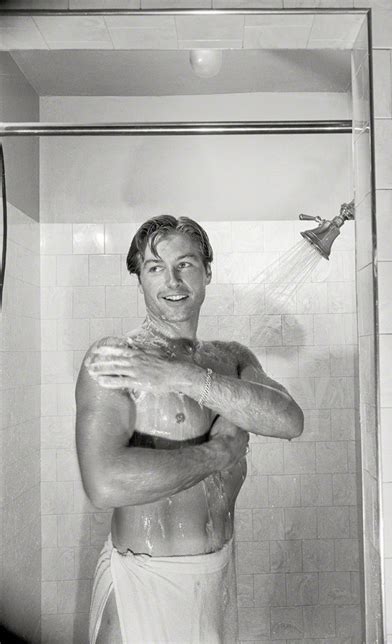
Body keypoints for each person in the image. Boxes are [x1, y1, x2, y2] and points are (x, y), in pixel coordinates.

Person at [75, 215, 304, 644]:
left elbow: (290, 420)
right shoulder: (118, 359)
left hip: (218, 575)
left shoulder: (233, 357)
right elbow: (104, 483)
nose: (172, 280)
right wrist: (217, 454)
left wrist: (181, 376)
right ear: (139, 279)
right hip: (146, 579)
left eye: (186, 264)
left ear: (208, 272)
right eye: (154, 267)